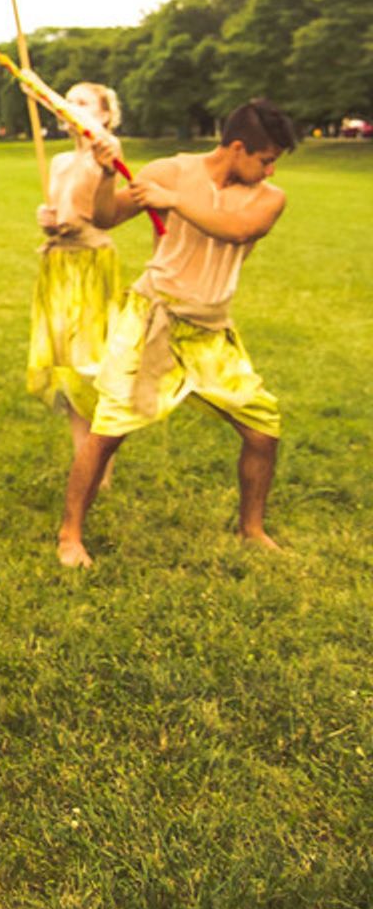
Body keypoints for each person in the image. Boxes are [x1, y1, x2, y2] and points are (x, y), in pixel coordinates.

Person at [58, 97, 296, 568]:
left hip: (210, 329)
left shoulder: (269, 198)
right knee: (108, 432)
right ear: (238, 147)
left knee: (263, 430)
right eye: (265, 160)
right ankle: (70, 536)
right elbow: (105, 217)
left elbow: (235, 229)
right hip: (152, 317)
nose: (270, 172)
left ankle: (252, 529)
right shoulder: (170, 171)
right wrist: (106, 174)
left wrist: (176, 203)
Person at [27, 83, 125, 479]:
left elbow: (97, 207)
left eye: (82, 102)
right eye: (67, 99)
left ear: (104, 115)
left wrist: (35, 84)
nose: (70, 107)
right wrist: (46, 219)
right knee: (66, 372)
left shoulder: (106, 150)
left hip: (90, 265)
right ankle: (85, 463)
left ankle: (101, 468)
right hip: (59, 265)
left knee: (91, 370)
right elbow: (62, 210)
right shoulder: (62, 160)